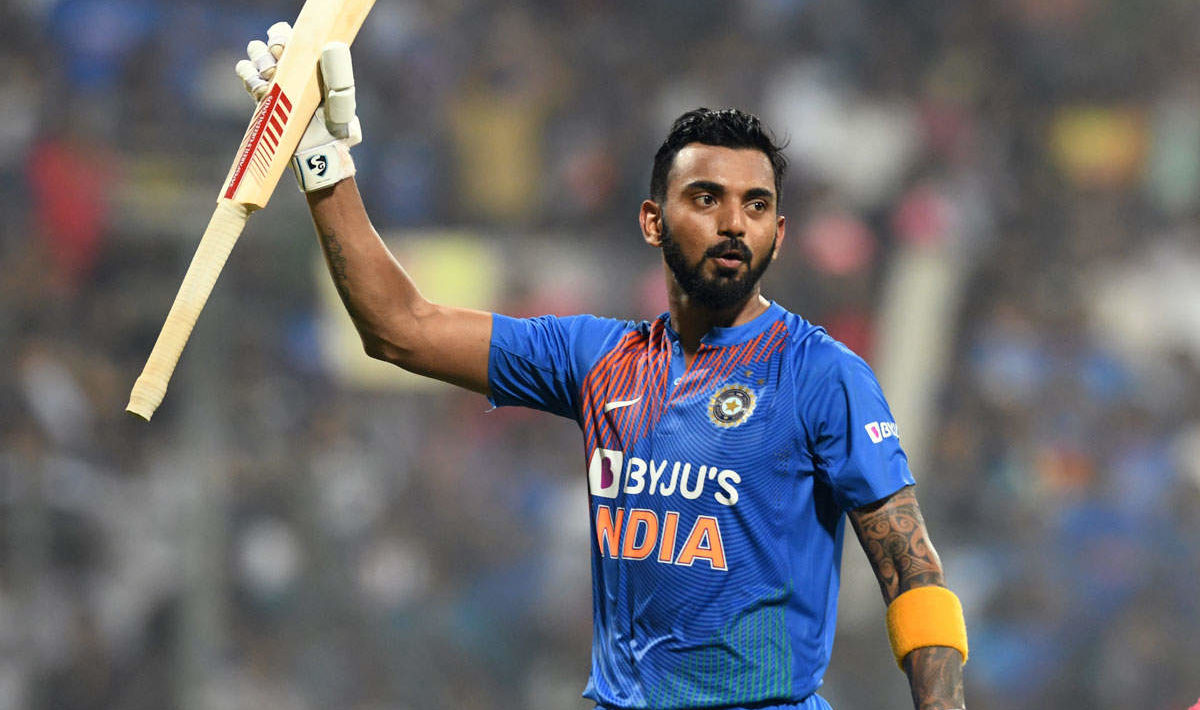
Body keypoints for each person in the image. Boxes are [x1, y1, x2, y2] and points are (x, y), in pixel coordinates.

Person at [237, 24, 968, 710]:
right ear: (653, 221)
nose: (732, 223)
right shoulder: (599, 359)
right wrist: (320, 156)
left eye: (755, 206)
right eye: (706, 198)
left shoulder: (822, 376)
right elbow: (400, 329)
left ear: (778, 235)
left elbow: (913, 571)